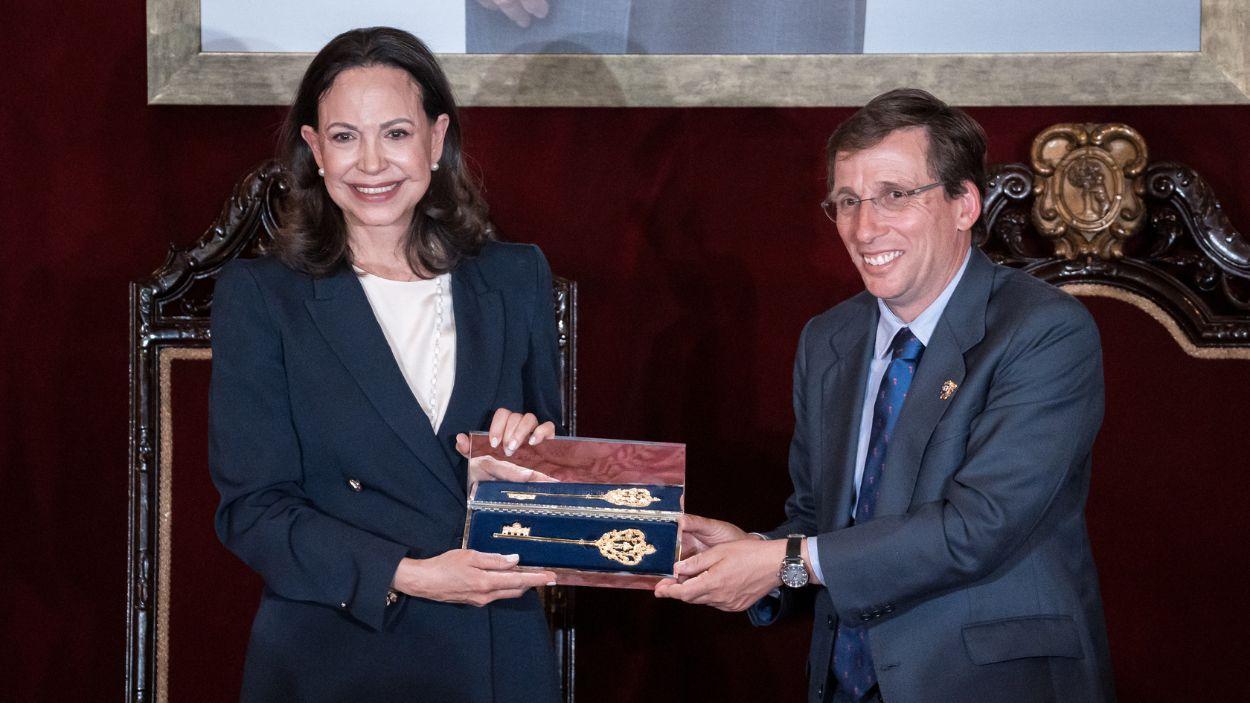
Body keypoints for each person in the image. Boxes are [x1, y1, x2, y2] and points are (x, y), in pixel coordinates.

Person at [655, 89, 1114, 702]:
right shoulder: (829, 339)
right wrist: (754, 556)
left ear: (963, 205)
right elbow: (820, 521)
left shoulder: (1044, 331)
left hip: (989, 683)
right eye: (847, 201)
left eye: (895, 196)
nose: (864, 228)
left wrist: (785, 559)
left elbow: (975, 529)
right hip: (845, 682)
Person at [209, 27, 562, 703]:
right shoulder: (262, 298)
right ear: (313, 150)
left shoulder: (516, 278)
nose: (371, 163)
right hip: (335, 653)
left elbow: (556, 490)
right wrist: (413, 573)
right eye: (345, 137)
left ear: (436, 139)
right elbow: (253, 511)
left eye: (395, 133)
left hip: (493, 649)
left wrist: (523, 463)